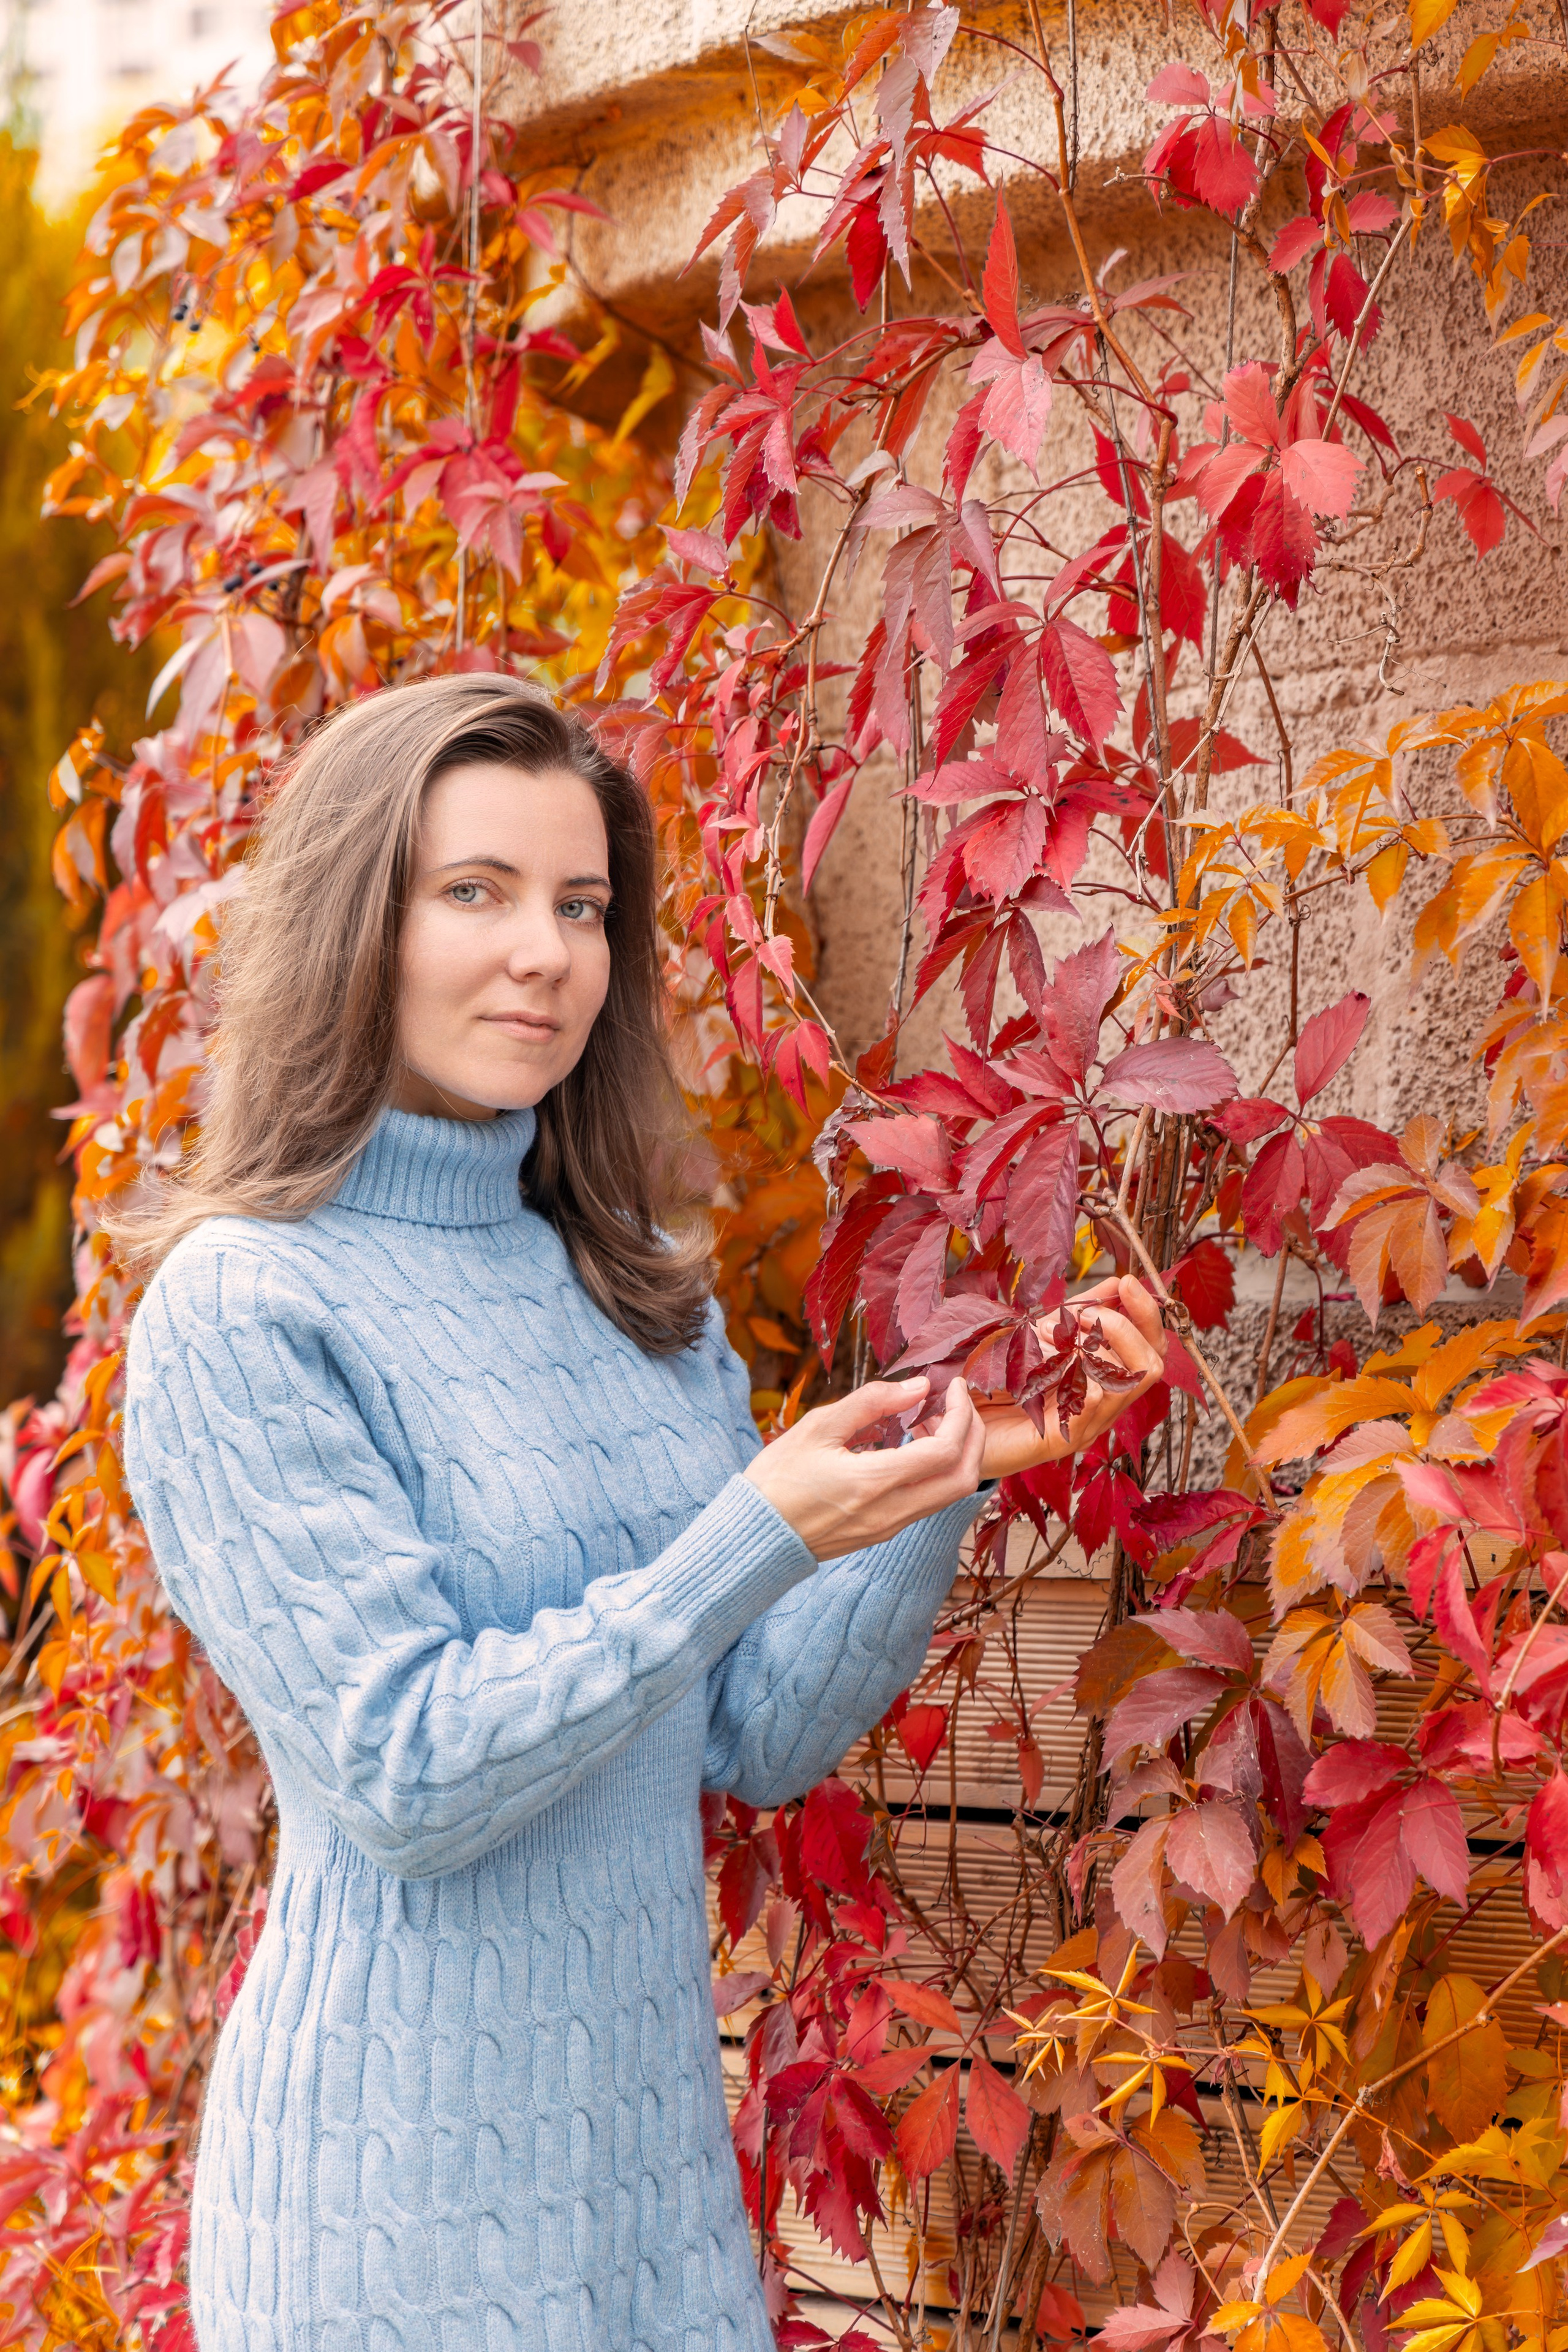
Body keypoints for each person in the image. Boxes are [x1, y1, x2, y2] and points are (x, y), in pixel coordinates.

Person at [121, 676, 1164, 2352]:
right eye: (476, 891)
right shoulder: (246, 1313)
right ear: (353, 921)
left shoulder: (633, 1295)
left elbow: (746, 1731)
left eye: (583, 906)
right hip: (388, 2218)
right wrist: (749, 1524)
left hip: (651, 2194)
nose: (545, 951)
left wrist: (948, 1473)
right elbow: (406, 1769)